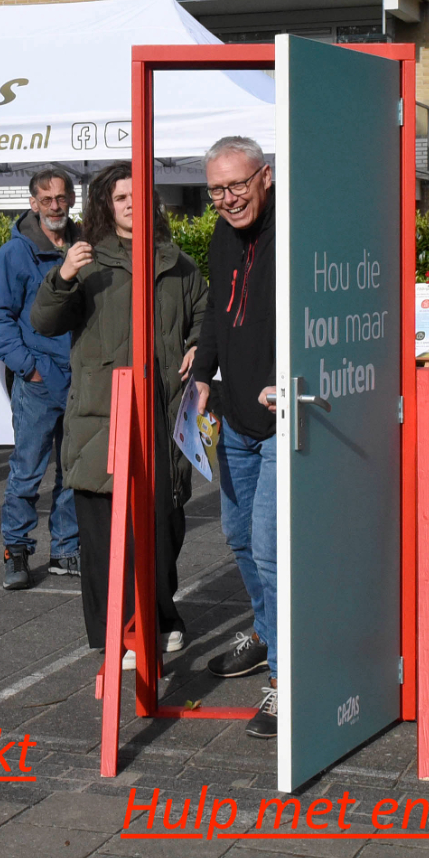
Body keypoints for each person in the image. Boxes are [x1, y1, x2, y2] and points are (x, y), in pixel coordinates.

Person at [32, 162, 208, 668]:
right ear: (107, 206)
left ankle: (160, 615)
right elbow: (43, 321)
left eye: (140, 195)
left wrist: (199, 347)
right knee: (106, 530)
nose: (132, 203)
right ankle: (120, 630)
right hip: (102, 416)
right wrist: (63, 274)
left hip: (163, 413)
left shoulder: (178, 264)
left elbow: (204, 317)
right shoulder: (87, 260)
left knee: (163, 524)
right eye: (121, 196)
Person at [190, 135, 280, 739]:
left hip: (285, 418)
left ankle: (286, 677)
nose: (227, 199)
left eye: (237, 185)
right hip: (236, 416)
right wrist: (201, 375)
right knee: (237, 535)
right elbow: (220, 313)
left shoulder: (297, 229)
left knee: (272, 548)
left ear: (265, 177)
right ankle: (266, 631)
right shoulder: (223, 236)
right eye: (217, 190)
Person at [0, 166, 82, 591]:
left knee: (73, 470)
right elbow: (0, 318)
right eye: (46, 200)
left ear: (71, 200)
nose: (55, 206)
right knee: (27, 471)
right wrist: (29, 367)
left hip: (81, 377)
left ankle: (66, 549)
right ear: (33, 204)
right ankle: (17, 550)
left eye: (61, 198)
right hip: (39, 381)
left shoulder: (86, 245)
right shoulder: (15, 253)